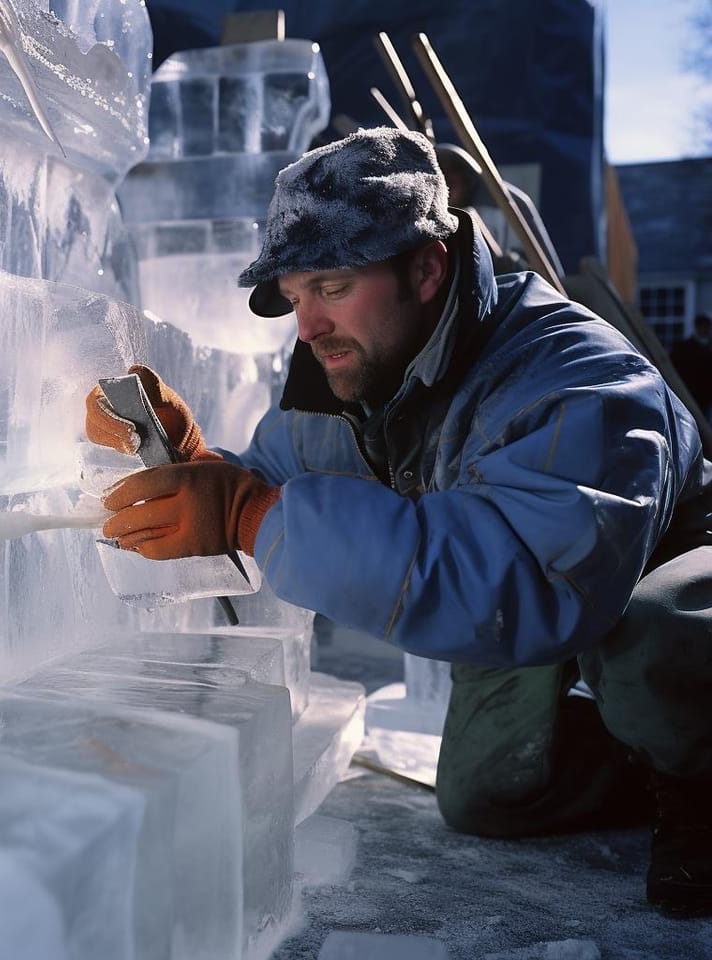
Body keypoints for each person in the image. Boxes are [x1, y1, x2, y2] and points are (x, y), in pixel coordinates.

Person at [85, 127, 712, 917]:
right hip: (548, 592)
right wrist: (198, 464)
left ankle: (697, 780)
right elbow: (273, 485)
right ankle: (638, 754)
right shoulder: (355, 366)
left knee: (658, 643)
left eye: (333, 285)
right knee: (489, 792)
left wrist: (246, 514)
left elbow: (523, 581)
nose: (308, 326)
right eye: (296, 296)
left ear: (426, 268)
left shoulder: (576, 378)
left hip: (652, 569)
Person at [671, 312, 712, 423]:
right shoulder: (684, 348)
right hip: (689, 392)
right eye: (702, 327)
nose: (704, 330)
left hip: (707, 395)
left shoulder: (709, 347)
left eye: (706, 327)